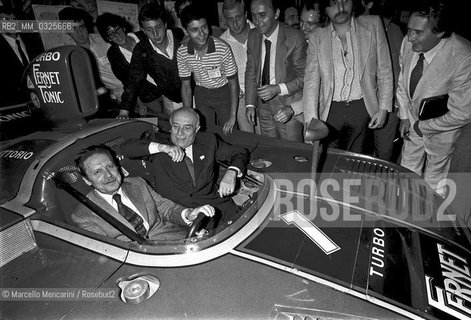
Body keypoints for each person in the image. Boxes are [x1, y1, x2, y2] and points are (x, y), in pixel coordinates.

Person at [121, 108, 249, 226]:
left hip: (215, 205)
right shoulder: (161, 144)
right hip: (179, 214)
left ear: (197, 128)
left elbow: (239, 152)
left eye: (187, 128)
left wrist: (231, 172)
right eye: (176, 126)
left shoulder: (208, 141)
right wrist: (162, 148)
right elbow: (125, 148)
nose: (180, 134)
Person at [396, 0, 471, 196]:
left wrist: (423, 127)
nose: (410, 37)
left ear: (439, 32)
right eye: (409, 29)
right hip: (412, 127)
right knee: (405, 178)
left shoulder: (463, 57)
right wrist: (405, 115)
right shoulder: (407, 41)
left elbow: (462, 113)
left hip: (441, 134)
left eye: (418, 32)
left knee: (433, 190)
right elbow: (402, 81)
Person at [71, 144, 215, 242]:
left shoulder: (137, 183)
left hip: (173, 238)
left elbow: (165, 208)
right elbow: (109, 251)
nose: (108, 175)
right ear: (87, 180)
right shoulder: (83, 215)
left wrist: (189, 214)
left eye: (110, 166)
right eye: (97, 172)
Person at [302, 0, 393, 153]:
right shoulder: (317, 35)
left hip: (362, 108)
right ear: (325, 8)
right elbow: (311, 81)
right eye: (334, 3)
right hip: (330, 111)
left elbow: (384, 69)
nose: (341, 8)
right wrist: (310, 120)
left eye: (345, 1)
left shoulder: (373, 24)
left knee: (356, 162)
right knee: (329, 163)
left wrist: (384, 107)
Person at [245, 0, 307, 142]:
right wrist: (250, 104)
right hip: (263, 106)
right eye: (254, 16)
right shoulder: (253, 35)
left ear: (276, 13)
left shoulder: (295, 37)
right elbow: (251, 72)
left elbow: (305, 77)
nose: (257, 21)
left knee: (293, 152)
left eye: (262, 15)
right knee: (271, 151)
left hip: (287, 105)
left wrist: (278, 89)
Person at [177, 4, 239, 135]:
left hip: (224, 93)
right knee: (205, 132)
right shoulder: (182, 52)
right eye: (194, 30)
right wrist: (187, 115)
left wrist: (233, 116)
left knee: (229, 133)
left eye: (204, 27)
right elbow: (186, 86)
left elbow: (233, 83)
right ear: (185, 30)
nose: (201, 34)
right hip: (201, 94)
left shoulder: (222, 48)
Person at [119, 4, 185, 120]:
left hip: (196, 94)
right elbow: (133, 80)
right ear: (143, 31)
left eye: (158, 27)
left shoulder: (179, 37)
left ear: (165, 25)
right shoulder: (141, 50)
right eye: (149, 30)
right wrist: (124, 110)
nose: (155, 34)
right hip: (171, 100)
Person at [96, 12, 164, 119]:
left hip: (167, 86)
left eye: (117, 30)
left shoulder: (144, 35)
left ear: (123, 27)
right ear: (108, 38)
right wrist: (139, 103)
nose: (117, 36)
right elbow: (127, 81)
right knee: (162, 124)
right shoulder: (113, 54)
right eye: (111, 34)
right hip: (147, 95)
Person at [362, 0, 404, 161]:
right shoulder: (355, 29)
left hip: (386, 104)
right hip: (361, 102)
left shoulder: (393, 31)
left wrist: (394, 103)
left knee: (382, 153)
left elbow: (398, 69)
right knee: (362, 150)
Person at [58, 7, 123, 101]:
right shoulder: (72, 55)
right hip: (118, 95)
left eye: (82, 27)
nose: (80, 33)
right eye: (74, 29)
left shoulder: (105, 39)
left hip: (137, 85)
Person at [219, 0, 257, 133]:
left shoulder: (259, 31)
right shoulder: (222, 43)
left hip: (264, 93)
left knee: (269, 140)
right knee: (250, 140)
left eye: (238, 17)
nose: (235, 24)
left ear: (245, 14)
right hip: (241, 98)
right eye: (230, 19)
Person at [0, 7, 37, 107]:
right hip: (14, 105)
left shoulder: (33, 41)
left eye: (14, 19)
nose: (11, 23)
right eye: (4, 20)